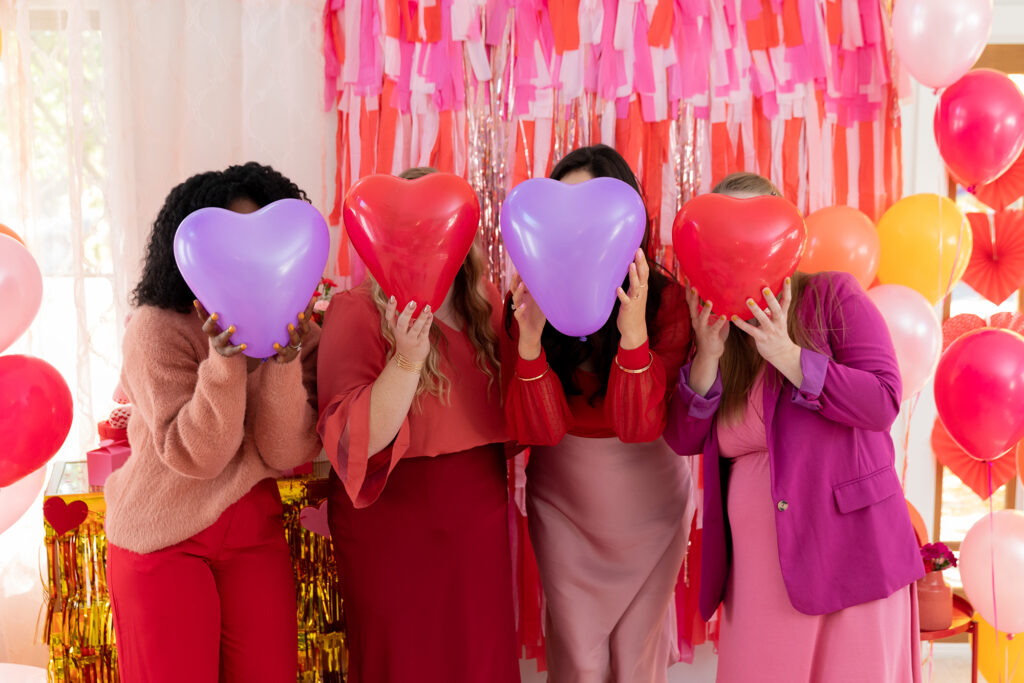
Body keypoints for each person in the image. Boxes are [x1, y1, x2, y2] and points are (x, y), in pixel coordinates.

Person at [664, 172, 923, 682]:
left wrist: (789, 356)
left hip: (851, 548)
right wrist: (708, 357)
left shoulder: (832, 296)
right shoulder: (715, 324)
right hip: (760, 566)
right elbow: (684, 437)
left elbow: (882, 402)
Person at [104, 162, 321, 682]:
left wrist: (282, 362)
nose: (249, 263)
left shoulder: (294, 325)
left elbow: (287, 452)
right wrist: (223, 362)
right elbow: (198, 457)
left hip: (251, 531)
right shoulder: (155, 329)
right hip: (162, 535)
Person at [317, 167, 519, 683]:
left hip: (479, 515)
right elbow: (357, 442)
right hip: (391, 521)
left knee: (479, 657)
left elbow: (517, 420)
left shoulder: (487, 304)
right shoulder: (354, 311)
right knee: (403, 660)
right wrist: (407, 360)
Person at [504, 144, 695, 682]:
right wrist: (530, 343)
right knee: (578, 658)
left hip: (650, 500)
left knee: (637, 658)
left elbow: (640, 428)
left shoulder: (663, 301)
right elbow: (535, 430)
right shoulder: (526, 298)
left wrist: (633, 333)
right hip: (564, 500)